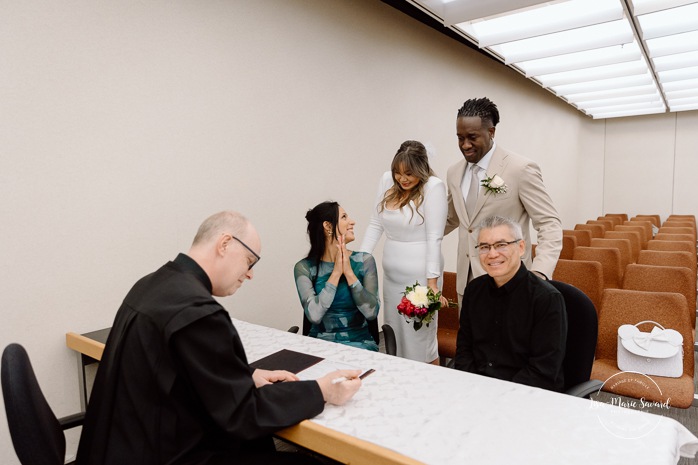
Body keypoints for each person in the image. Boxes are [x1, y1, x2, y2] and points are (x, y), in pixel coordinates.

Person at [76, 211, 362, 465]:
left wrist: (246, 375)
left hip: (122, 447)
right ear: (225, 244)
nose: (249, 275)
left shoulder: (152, 285)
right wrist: (322, 390)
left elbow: (173, 368)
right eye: (249, 261)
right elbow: (243, 414)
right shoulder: (198, 312)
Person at [445, 97, 562, 304]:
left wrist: (540, 273)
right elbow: (451, 219)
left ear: (491, 133)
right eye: (459, 138)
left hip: (511, 282)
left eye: (472, 137)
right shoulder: (454, 173)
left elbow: (549, 223)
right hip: (467, 285)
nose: (465, 145)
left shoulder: (520, 169)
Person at [454, 215, 567, 392]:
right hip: (476, 390)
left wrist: (498, 395)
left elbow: (543, 370)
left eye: (501, 245)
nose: (492, 254)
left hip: (526, 395)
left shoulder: (546, 299)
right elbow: (464, 350)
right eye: (484, 247)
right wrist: (471, 387)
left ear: (521, 247)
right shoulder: (474, 290)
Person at [360, 140, 448, 363]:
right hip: (392, 276)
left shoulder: (434, 187)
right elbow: (375, 224)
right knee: (394, 333)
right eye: (398, 172)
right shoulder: (386, 181)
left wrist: (432, 284)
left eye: (409, 173)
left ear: (421, 169)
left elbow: (434, 238)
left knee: (420, 338)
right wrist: (359, 261)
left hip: (420, 277)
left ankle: (428, 385)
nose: (403, 178)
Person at [294, 201, 380, 351]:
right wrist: (335, 274)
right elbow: (314, 316)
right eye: (344, 217)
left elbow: (371, 313)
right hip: (319, 347)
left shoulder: (364, 261)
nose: (352, 222)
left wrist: (348, 273)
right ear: (328, 226)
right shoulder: (305, 268)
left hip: (360, 345)